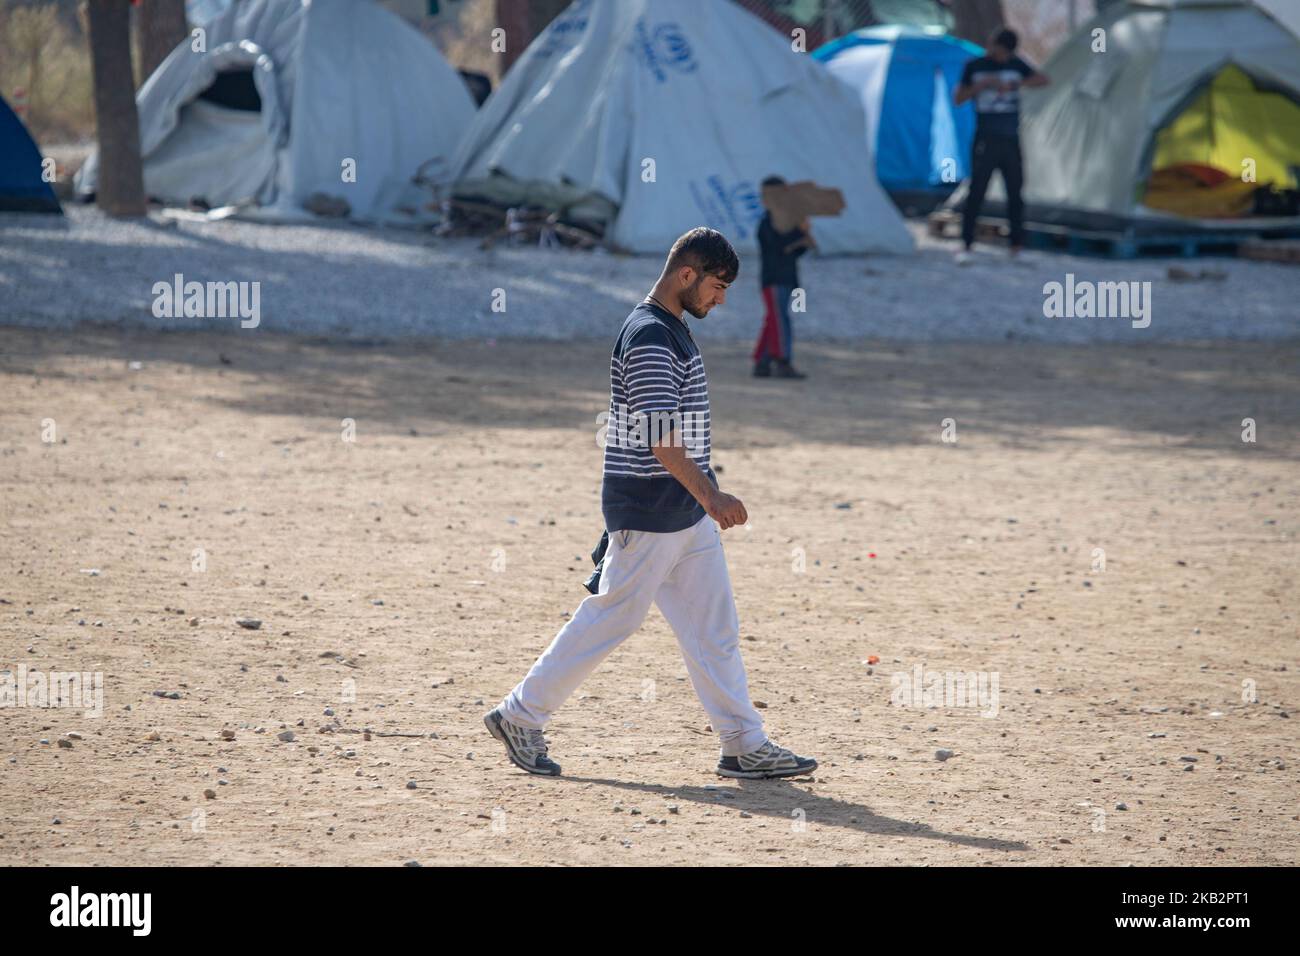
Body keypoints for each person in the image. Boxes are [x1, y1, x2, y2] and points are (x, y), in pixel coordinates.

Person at [484, 226, 818, 780]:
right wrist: (712, 494)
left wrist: (702, 497)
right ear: (687, 274)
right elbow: (660, 436)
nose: (721, 299)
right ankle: (519, 715)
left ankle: (743, 743)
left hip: (682, 512)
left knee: (713, 630)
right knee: (612, 617)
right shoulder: (650, 336)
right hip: (652, 509)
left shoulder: (672, 328)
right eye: (717, 286)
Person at [953, 27, 1050, 262]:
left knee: (1015, 192)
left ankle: (1016, 245)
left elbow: (1043, 79)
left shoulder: (1016, 65)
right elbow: (958, 98)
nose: (997, 54)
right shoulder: (975, 66)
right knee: (976, 191)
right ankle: (966, 244)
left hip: (1010, 138)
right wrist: (983, 85)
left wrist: (1014, 84)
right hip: (985, 137)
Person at [753, 175, 813, 379]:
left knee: (773, 320)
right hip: (774, 279)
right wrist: (799, 234)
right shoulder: (768, 222)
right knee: (780, 320)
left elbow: (798, 251)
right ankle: (782, 361)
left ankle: (762, 362)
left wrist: (803, 234)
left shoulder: (786, 220)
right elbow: (781, 246)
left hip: (786, 278)